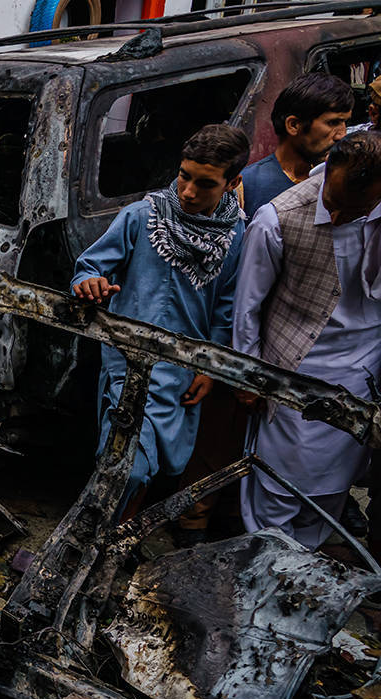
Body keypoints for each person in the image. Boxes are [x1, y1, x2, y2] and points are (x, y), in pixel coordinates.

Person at [71, 124, 250, 514]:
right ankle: (96, 537)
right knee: (125, 466)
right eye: (184, 176)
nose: (188, 192)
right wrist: (90, 284)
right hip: (129, 364)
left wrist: (210, 368)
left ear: (232, 182)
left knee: (155, 468)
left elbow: (226, 309)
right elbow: (89, 267)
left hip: (183, 373)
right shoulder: (140, 216)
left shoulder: (236, 235)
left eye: (205, 184)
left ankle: (118, 537)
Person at [234, 131, 381, 550]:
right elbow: (247, 306)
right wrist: (249, 374)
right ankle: (264, 573)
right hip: (293, 373)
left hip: (363, 379)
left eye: (353, 211)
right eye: (332, 205)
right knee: (277, 487)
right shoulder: (277, 218)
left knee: (330, 494)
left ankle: (304, 573)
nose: (335, 218)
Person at [239, 73, 352, 220]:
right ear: (293, 125)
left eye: (345, 123)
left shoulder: (341, 176)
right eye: (332, 123)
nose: (342, 135)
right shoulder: (247, 186)